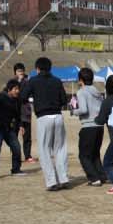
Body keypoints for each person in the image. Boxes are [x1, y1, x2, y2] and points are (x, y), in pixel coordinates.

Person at [28, 56, 69, 191]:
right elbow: (64, 100)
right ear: (50, 68)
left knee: (44, 150)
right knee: (60, 148)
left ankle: (51, 181)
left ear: (37, 69)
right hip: (58, 116)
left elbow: (23, 96)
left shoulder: (33, 81)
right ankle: (63, 178)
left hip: (43, 117)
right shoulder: (57, 81)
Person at [72, 67, 105, 184]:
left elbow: (83, 110)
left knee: (84, 155)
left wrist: (73, 111)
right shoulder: (97, 92)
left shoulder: (81, 92)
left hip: (88, 126)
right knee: (95, 154)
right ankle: (102, 175)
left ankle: (94, 178)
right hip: (99, 126)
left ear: (80, 79)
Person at [0, 79, 23, 179]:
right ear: (9, 90)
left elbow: (18, 115)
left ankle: (16, 170)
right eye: (15, 89)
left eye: (18, 89)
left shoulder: (17, 100)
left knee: (16, 147)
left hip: (8, 128)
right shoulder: (1, 96)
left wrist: (21, 125)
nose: (17, 91)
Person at [13, 63, 35, 162]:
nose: (21, 73)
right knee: (14, 136)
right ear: (15, 72)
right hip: (15, 112)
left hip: (25, 112)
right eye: (18, 71)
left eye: (22, 71)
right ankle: (15, 155)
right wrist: (18, 82)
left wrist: (22, 81)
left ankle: (27, 155)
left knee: (27, 136)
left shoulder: (28, 81)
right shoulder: (12, 82)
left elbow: (27, 94)